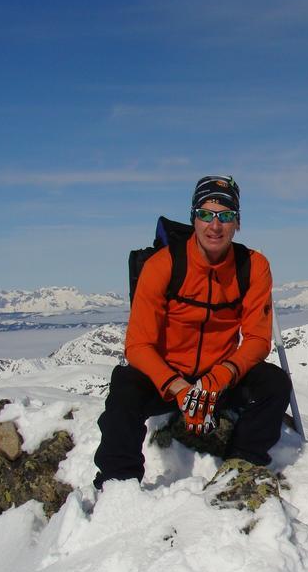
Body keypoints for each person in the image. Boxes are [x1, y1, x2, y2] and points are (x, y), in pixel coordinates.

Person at [93, 175, 292, 490]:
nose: (215, 225)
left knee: (274, 384)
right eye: (206, 214)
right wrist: (177, 387)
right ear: (194, 218)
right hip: (166, 379)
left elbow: (256, 340)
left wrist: (220, 377)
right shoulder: (162, 266)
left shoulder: (253, 266)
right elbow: (138, 345)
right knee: (125, 389)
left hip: (219, 379)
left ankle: (239, 468)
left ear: (237, 223)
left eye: (225, 216)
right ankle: (117, 484)